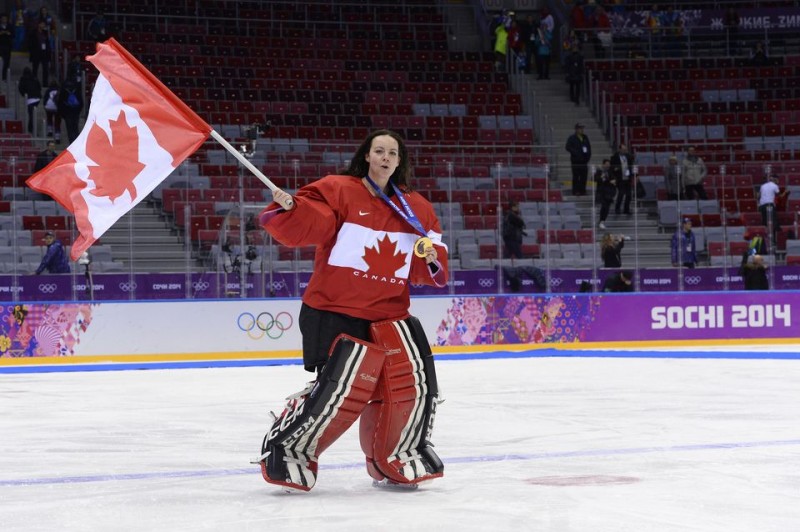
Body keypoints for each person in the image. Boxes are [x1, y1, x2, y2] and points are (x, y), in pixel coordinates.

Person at [255, 130, 448, 492]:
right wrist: (292, 207)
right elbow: (312, 220)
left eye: (393, 152)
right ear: (367, 156)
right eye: (379, 150)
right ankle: (288, 450)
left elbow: (430, 259)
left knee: (408, 389)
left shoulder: (416, 207)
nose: (386, 157)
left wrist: (433, 259)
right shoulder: (339, 189)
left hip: (389, 315)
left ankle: (396, 456)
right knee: (338, 392)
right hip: (333, 310)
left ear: (400, 161)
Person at [566, 123, 591, 196]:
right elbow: (568, 147)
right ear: (576, 129)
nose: (582, 130)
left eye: (582, 128)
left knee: (584, 176)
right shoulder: (572, 138)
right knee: (576, 176)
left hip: (584, 160)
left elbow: (588, 147)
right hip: (576, 161)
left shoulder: (585, 137)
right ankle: (576, 190)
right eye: (580, 128)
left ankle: (583, 190)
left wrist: (588, 156)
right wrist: (575, 153)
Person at [611, 143, 634, 215]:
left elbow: (631, 166)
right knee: (621, 194)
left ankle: (626, 209)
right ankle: (617, 209)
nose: (625, 151)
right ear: (620, 149)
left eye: (626, 150)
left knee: (629, 195)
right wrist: (616, 169)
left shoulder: (628, 156)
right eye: (623, 150)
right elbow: (613, 167)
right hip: (620, 178)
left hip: (627, 178)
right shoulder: (615, 157)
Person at [58, 78, 83, 143]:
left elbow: (60, 102)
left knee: (69, 129)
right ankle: (77, 142)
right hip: (75, 112)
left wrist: (62, 113)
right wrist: (78, 111)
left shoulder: (63, 90)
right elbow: (81, 102)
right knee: (75, 128)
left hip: (67, 112)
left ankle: (71, 142)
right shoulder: (77, 89)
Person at [18, 66, 41, 134]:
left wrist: (24, 94)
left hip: (29, 99)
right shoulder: (35, 78)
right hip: (37, 98)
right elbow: (39, 87)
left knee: (31, 114)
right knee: (32, 114)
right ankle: (30, 128)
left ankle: (31, 129)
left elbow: (21, 89)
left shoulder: (23, 79)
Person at [28, 20, 51, 86]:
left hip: (44, 53)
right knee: (35, 68)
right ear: (38, 24)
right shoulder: (33, 33)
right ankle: (34, 82)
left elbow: (47, 42)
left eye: (44, 24)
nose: (43, 25)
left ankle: (45, 83)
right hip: (36, 53)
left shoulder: (45, 32)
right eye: (42, 24)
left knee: (45, 69)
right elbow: (30, 43)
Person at [594, 158, 615, 229]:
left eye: (609, 164)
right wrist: (601, 177)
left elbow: (613, 179)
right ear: (603, 164)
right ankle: (601, 221)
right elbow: (595, 179)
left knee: (607, 207)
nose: (608, 166)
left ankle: (602, 221)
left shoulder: (610, 171)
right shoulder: (599, 171)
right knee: (604, 206)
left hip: (609, 192)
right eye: (606, 164)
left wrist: (612, 181)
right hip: (602, 191)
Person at [0, 15, 12, 82]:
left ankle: (4, 77)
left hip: (7, 46)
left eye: (5, 19)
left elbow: (13, 34)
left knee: (6, 62)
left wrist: (8, 33)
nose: (4, 20)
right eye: (3, 19)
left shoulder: (9, 26)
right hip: (0, 46)